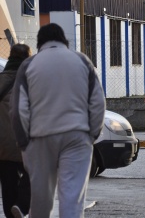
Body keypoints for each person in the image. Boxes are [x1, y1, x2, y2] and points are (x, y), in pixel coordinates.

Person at [10, 23, 106, 218]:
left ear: (39, 43)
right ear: (65, 41)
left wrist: (24, 143)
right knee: (72, 198)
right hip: (77, 136)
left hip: (40, 137)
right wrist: (91, 134)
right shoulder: (82, 61)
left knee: (41, 199)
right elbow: (98, 102)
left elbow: (18, 110)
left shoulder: (29, 65)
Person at [0, 44, 31, 218]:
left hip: (2, 145)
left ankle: (12, 212)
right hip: (25, 142)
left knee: (8, 184)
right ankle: (22, 205)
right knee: (35, 174)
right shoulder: (31, 82)